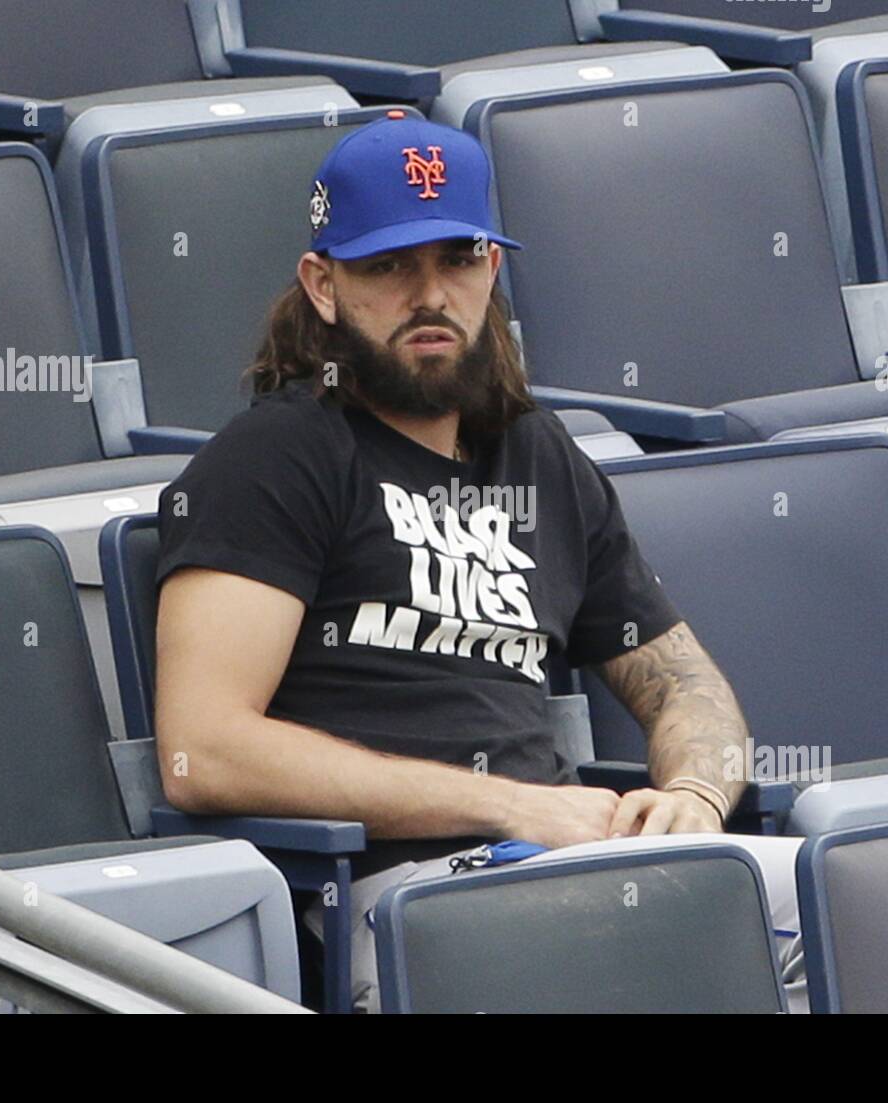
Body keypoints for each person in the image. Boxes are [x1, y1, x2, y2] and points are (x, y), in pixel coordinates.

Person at [154, 112, 803, 1011]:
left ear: (491, 269)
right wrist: (513, 806)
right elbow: (202, 752)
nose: (431, 295)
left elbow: (683, 681)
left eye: (457, 259)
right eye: (388, 265)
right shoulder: (276, 458)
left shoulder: (538, 455)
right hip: (408, 896)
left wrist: (694, 791)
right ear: (323, 283)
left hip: (576, 863)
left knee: (853, 898)